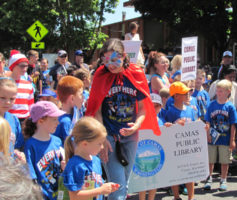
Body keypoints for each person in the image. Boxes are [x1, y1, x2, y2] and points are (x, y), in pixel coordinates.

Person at [85, 38, 160, 200]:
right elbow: (96, 110)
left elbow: (142, 109)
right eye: (105, 60)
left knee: (124, 183)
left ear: (124, 56)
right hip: (108, 136)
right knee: (117, 186)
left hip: (131, 136)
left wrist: (136, 126)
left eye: (114, 60)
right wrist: (102, 137)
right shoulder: (100, 75)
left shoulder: (136, 73)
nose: (110, 64)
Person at [61, 117, 119, 200]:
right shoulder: (75, 165)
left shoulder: (96, 160)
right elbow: (74, 196)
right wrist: (100, 190)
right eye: (99, 144)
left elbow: (96, 185)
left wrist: (107, 187)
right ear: (85, 144)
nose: (102, 147)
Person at [24, 101, 66, 200]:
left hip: (59, 192)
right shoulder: (31, 144)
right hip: (42, 195)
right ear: (41, 120)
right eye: (54, 119)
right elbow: (31, 175)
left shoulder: (57, 141)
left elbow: (62, 163)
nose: (58, 123)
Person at [204, 79, 237, 191]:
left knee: (225, 160)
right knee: (210, 159)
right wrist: (208, 134)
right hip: (213, 138)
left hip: (225, 138)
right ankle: (209, 178)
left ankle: (223, 179)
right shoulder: (211, 105)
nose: (218, 93)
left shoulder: (230, 107)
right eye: (217, 91)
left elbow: (233, 124)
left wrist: (232, 140)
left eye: (221, 91)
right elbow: (208, 121)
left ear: (228, 92)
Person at [165, 81, 196, 200]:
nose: (187, 94)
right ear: (176, 96)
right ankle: (176, 196)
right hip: (175, 147)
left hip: (188, 147)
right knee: (175, 173)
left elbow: (195, 123)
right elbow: (166, 129)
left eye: (187, 92)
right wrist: (174, 124)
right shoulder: (170, 112)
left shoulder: (190, 109)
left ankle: (191, 197)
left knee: (190, 173)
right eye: (184, 93)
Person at [53, 76, 84, 144]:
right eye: (81, 94)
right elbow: (72, 147)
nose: (83, 98)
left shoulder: (68, 117)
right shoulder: (66, 121)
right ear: (72, 98)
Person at [0, 77, 24, 159]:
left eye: (12, 99)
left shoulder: (13, 120)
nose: (7, 102)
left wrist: (18, 154)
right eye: (2, 98)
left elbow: (17, 146)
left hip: (8, 167)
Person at [8, 52, 34, 121]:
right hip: (9, 118)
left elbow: (30, 105)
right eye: (22, 66)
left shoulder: (28, 84)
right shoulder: (5, 83)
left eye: (26, 66)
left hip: (25, 119)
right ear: (13, 66)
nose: (25, 68)